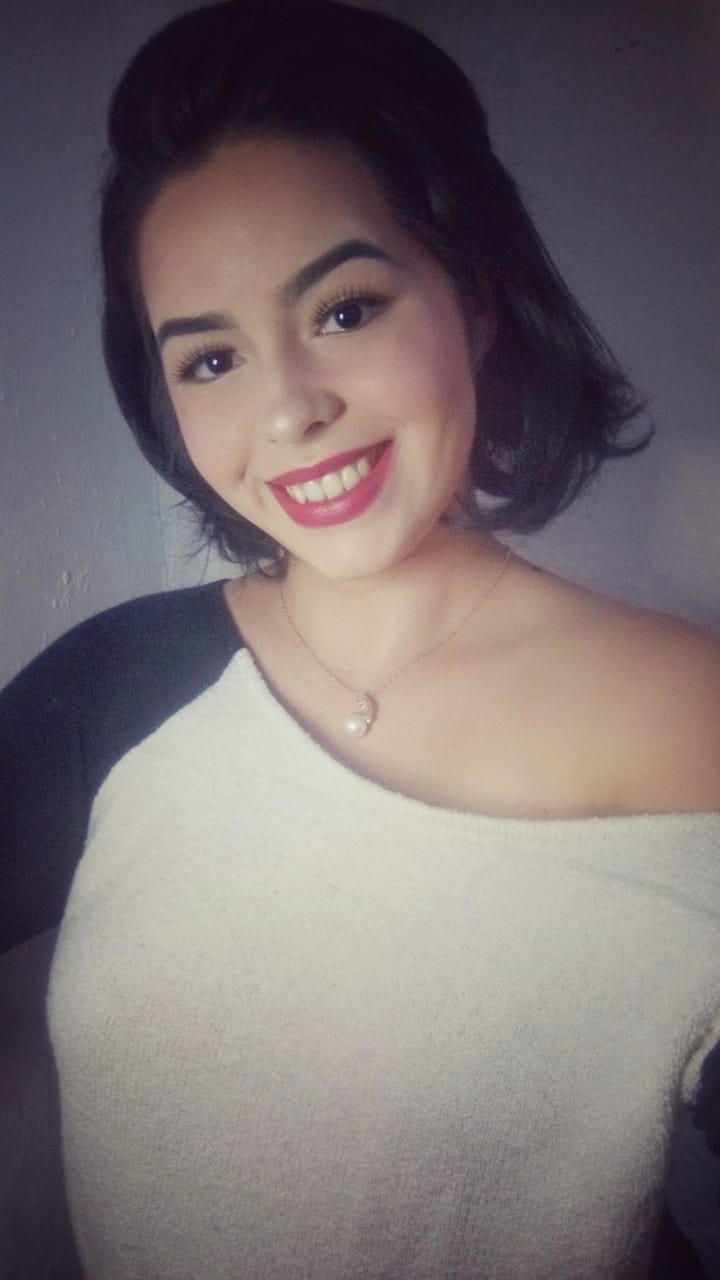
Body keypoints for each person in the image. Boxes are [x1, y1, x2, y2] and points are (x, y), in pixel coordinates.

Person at [1, 2, 719, 1277]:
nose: (289, 409)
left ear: (475, 298)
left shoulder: (692, 723)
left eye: (343, 309)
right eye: (209, 359)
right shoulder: (117, 684)